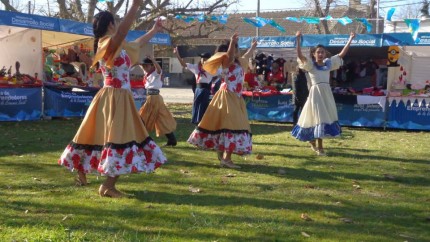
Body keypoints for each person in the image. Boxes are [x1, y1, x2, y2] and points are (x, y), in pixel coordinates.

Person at [58, 0, 167, 198]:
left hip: (115, 97)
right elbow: (123, 34)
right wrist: (134, 7)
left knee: (96, 137)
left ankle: (83, 174)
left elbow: (137, 42)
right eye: (115, 21)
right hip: (115, 97)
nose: (118, 24)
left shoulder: (114, 44)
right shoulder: (107, 43)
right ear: (110, 24)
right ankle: (107, 187)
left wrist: (154, 30)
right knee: (121, 139)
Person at [187, 33, 253, 169]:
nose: (236, 51)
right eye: (234, 49)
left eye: (236, 48)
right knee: (231, 127)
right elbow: (229, 56)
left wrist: (253, 47)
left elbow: (246, 56)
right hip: (227, 96)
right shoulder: (226, 62)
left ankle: (223, 153)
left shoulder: (240, 62)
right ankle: (226, 159)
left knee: (231, 126)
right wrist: (231, 42)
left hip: (236, 98)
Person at [291, 31, 355, 156]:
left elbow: (341, 54)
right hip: (316, 95)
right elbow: (300, 55)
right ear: (314, 54)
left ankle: (313, 141)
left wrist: (350, 39)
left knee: (324, 118)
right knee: (318, 118)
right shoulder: (310, 65)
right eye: (318, 52)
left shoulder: (328, 64)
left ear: (325, 54)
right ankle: (320, 147)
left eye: (322, 52)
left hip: (326, 95)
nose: (320, 54)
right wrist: (298, 40)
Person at [139, 56, 177, 147]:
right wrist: (138, 62)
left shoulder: (156, 72)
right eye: (144, 66)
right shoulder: (147, 73)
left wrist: (153, 60)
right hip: (152, 97)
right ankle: (172, 140)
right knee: (161, 119)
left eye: (146, 66)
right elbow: (141, 66)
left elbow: (159, 69)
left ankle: (142, 139)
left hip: (154, 97)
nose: (145, 68)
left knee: (143, 117)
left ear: (152, 66)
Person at [173, 48, 213, 124]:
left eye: (206, 60)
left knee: (203, 105)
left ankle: (202, 121)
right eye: (203, 59)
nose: (204, 61)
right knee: (196, 104)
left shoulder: (212, 69)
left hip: (206, 90)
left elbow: (222, 72)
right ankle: (196, 120)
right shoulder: (196, 67)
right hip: (198, 89)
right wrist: (177, 55)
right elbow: (183, 64)